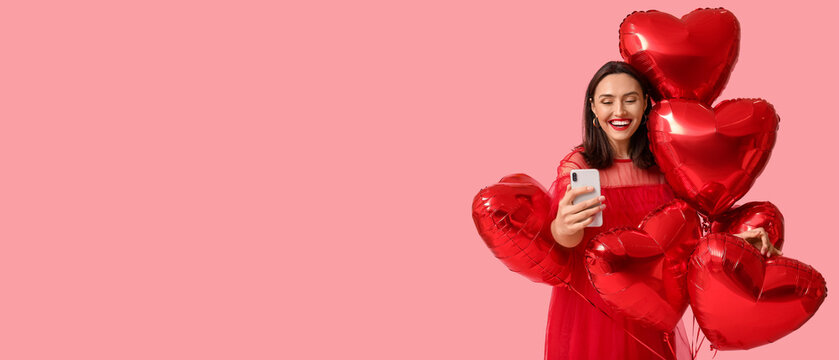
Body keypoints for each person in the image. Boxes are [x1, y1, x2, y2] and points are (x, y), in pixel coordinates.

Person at [543, 61, 782, 360]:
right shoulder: (577, 167)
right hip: (592, 310)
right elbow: (564, 246)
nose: (619, 111)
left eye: (630, 100)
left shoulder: (667, 167)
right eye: (607, 101)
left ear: (645, 103)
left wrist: (738, 240)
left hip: (651, 307)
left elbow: (685, 242)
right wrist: (563, 227)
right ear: (592, 108)